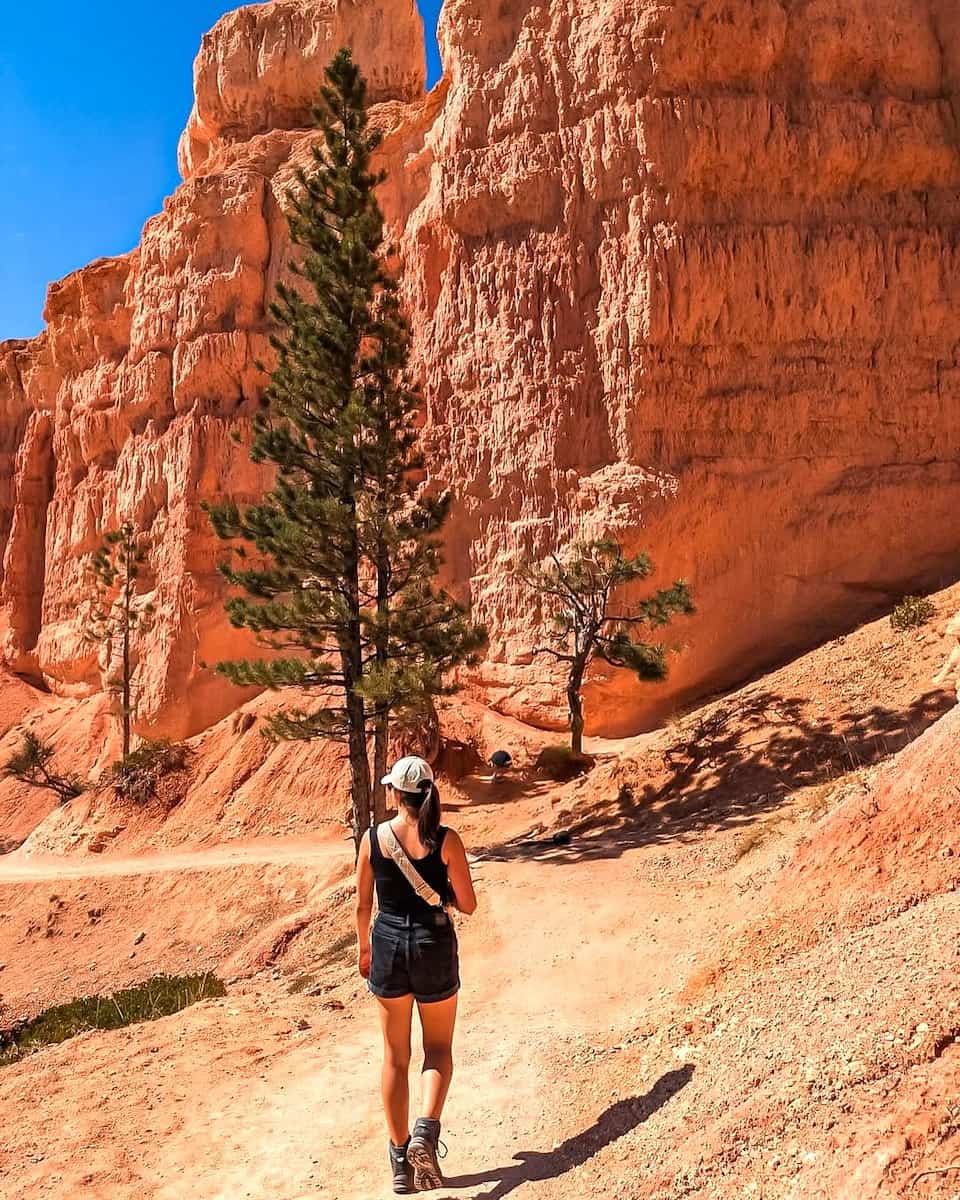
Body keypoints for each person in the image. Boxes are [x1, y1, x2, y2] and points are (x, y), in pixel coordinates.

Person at [355, 755, 478, 1194]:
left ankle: (400, 1163)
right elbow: (467, 904)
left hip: (387, 945)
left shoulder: (373, 839)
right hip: (433, 945)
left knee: (394, 1056)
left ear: (394, 793)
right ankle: (426, 1131)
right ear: (428, 793)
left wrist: (365, 950)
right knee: (439, 1049)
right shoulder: (446, 840)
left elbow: (362, 906)